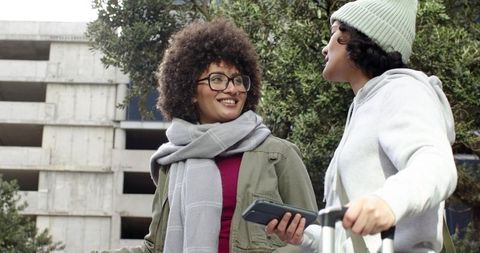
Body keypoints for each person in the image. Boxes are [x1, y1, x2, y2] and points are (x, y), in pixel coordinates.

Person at [93, 18, 318, 253]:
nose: (232, 89)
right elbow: (155, 248)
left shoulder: (278, 154)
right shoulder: (173, 162)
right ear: (190, 90)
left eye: (238, 79)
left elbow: (315, 238)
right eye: (217, 79)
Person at [266, 0, 457, 252]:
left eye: (334, 32)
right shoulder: (365, 105)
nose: (325, 48)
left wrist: (389, 202)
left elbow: (436, 163)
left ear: (358, 37)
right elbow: (353, 237)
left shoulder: (402, 91)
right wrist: (305, 236)